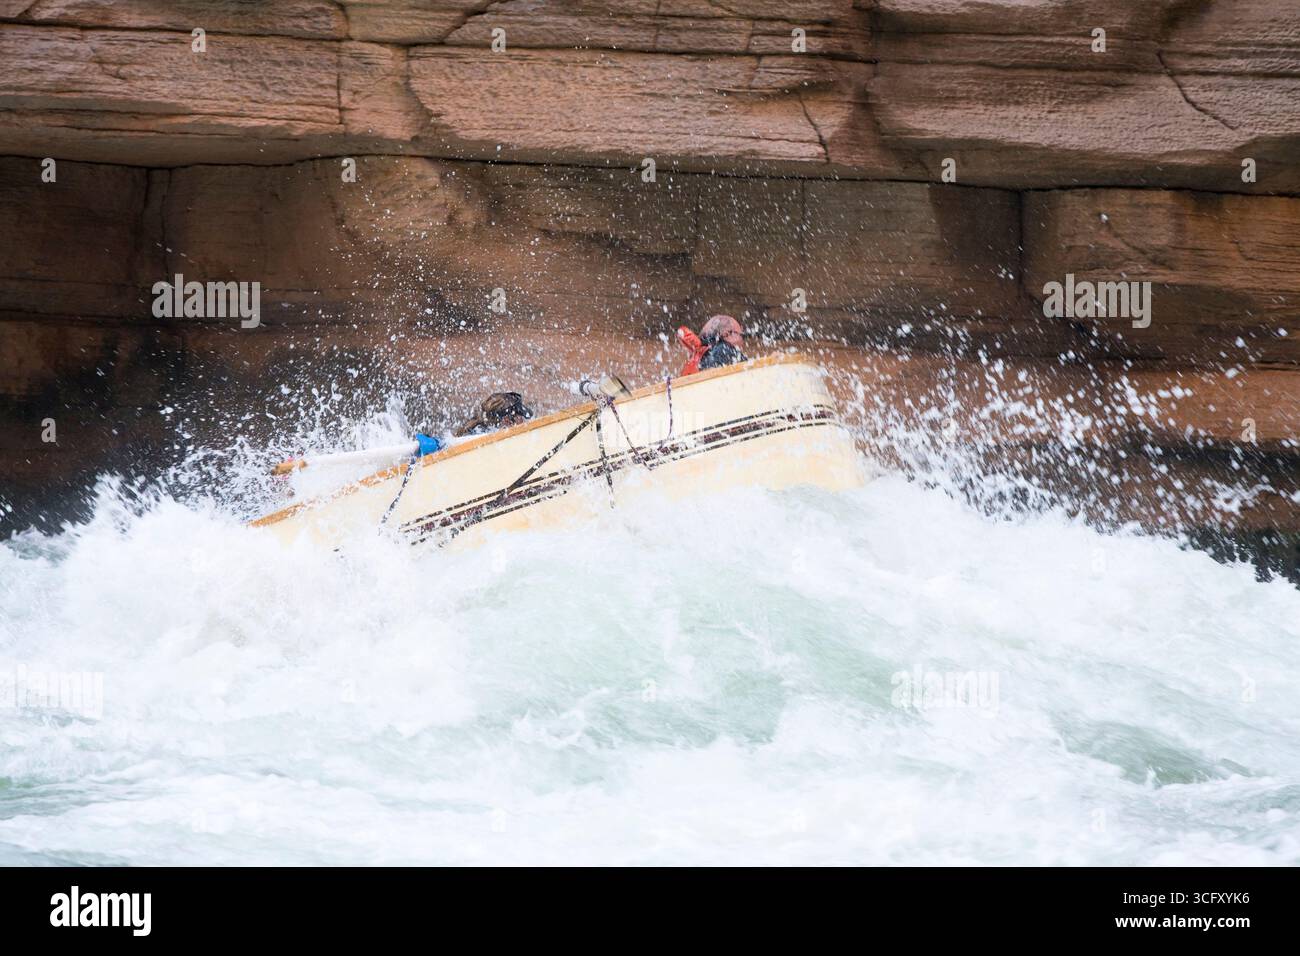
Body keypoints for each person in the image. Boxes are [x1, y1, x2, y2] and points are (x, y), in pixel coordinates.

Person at [676, 314, 747, 376]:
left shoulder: (699, 353)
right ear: (727, 334)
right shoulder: (725, 350)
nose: (742, 341)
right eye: (741, 335)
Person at [452, 391, 535, 437]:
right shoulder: (481, 437)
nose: (524, 421)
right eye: (521, 417)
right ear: (507, 421)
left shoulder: (477, 433)